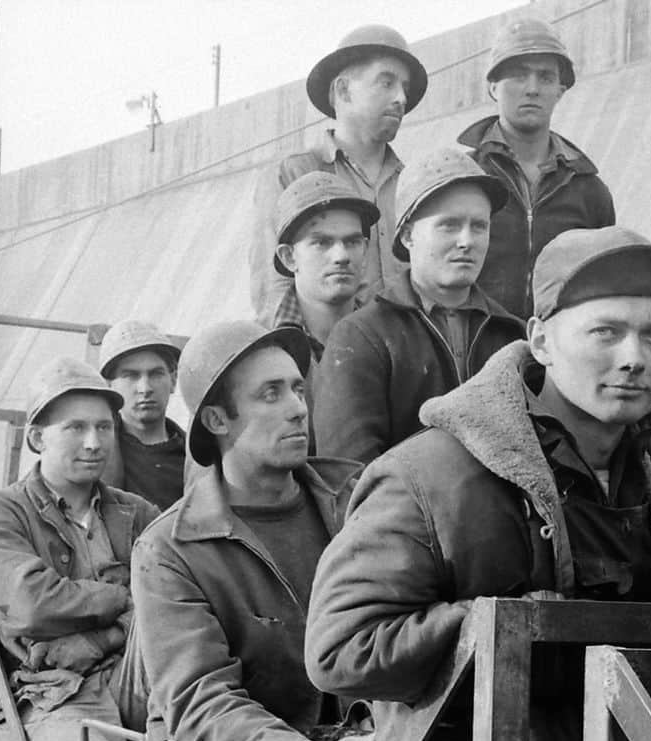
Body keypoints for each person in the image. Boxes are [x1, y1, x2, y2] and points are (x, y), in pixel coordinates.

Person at [306, 226, 651, 741]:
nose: (634, 358)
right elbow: (343, 650)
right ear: (540, 340)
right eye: (606, 332)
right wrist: (509, 628)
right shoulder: (429, 475)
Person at [130, 321, 376, 741]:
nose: (297, 409)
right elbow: (201, 700)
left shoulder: (355, 503)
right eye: (271, 395)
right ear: (218, 421)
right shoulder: (169, 550)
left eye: (298, 390)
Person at [0, 357, 158, 741]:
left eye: (104, 427)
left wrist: (96, 637)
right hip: (54, 692)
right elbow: (31, 602)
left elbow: (174, 602)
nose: (94, 442)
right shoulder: (5, 512)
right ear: (36, 438)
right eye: (75, 428)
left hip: (138, 676)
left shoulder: (137, 512)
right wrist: (124, 598)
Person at [314, 148, 524, 464]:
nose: (466, 240)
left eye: (479, 226)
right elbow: (348, 476)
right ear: (409, 234)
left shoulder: (511, 336)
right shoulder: (361, 337)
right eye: (449, 225)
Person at [250, 25, 428, 319]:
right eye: (386, 83)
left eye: (404, 88)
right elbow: (274, 290)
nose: (401, 98)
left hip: (405, 355)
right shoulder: (293, 173)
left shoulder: (413, 184)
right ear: (343, 90)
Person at [458, 17, 615, 318]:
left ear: (560, 90)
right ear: (492, 87)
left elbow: (604, 287)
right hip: (477, 349)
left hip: (559, 354)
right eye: (518, 76)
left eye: (545, 77)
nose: (532, 89)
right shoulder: (465, 176)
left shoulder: (589, 190)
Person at [269, 171, 381, 451]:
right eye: (321, 242)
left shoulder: (390, 339)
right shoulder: (259, 353)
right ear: (289, 256)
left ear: (365, 250)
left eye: (353, 241)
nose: (341, 256)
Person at [99, 319, 185, 509]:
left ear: (173, 381)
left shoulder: (198, 457)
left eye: (156, 374)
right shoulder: (94, 454)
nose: (145, 388)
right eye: (130, 376)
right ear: (109, 386)